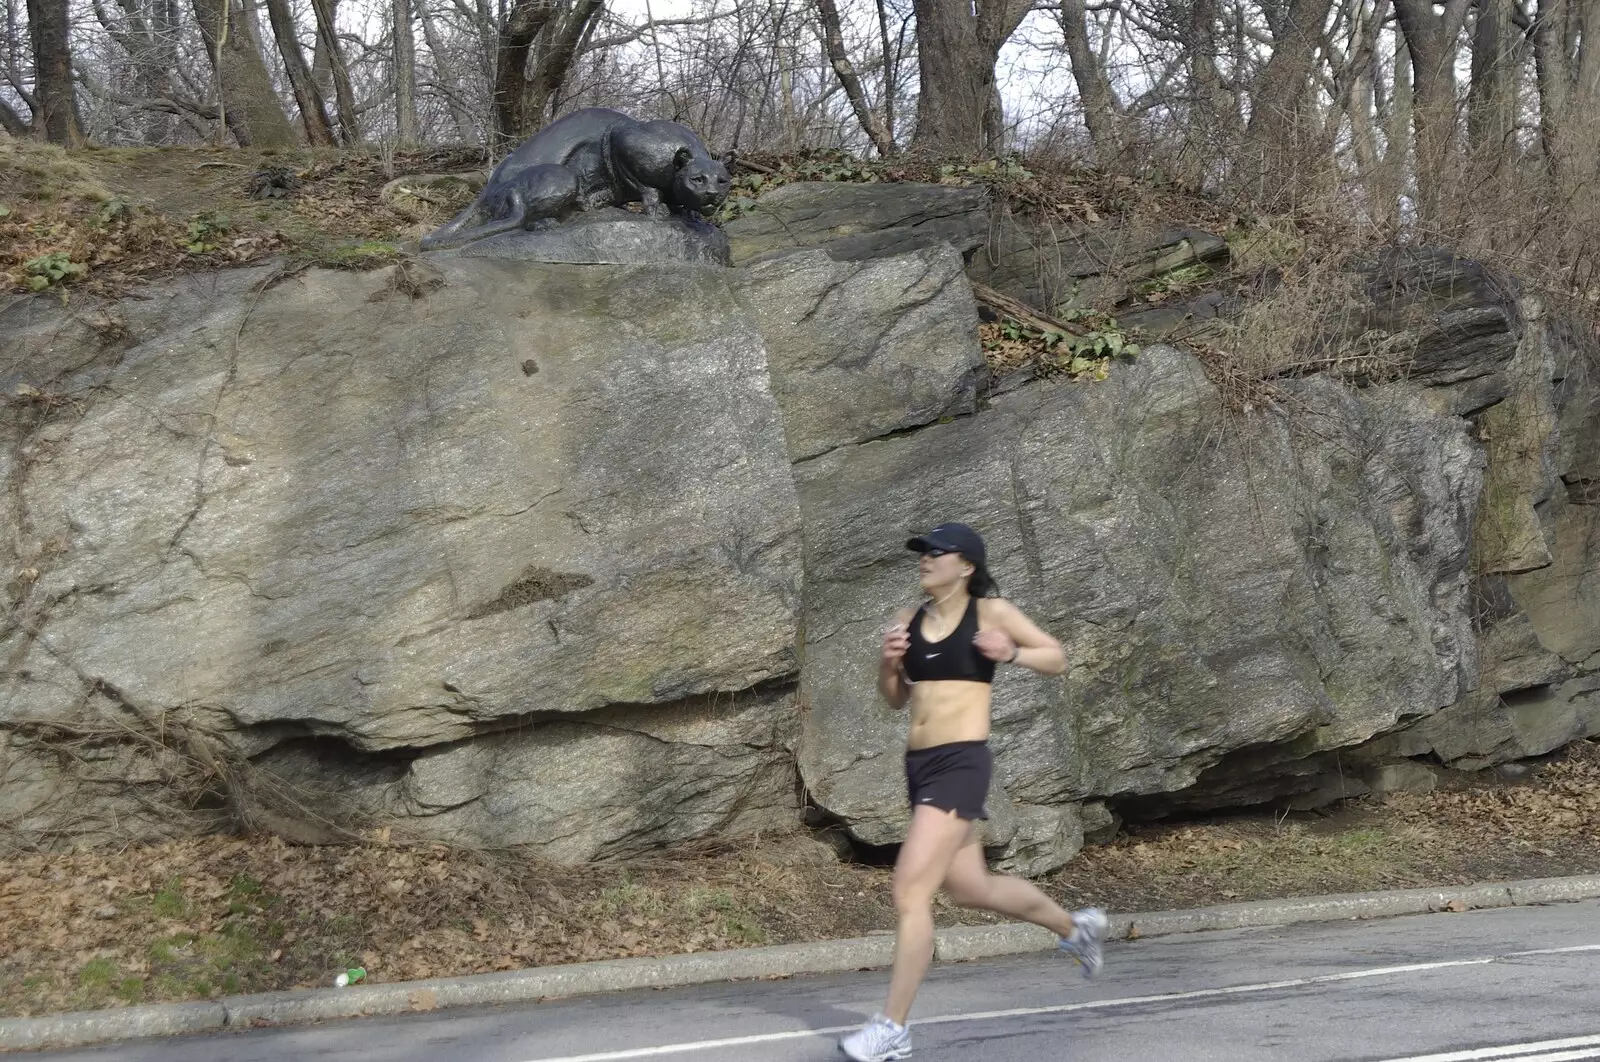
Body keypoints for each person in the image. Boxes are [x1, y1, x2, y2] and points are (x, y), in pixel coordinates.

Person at [838, 522, 1109, 1062]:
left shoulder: (992, 613)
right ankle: (1073, 927)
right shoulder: (905, 621)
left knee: (910, 893)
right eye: (922, 552)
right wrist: (888, 665)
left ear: (965, 565)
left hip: (962, 762)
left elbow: (1055, 656)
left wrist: (1010, 653)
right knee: (969, 888)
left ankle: (892, 1028)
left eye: (937, 552)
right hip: (918, 765)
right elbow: (895, 700)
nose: (925, 559)